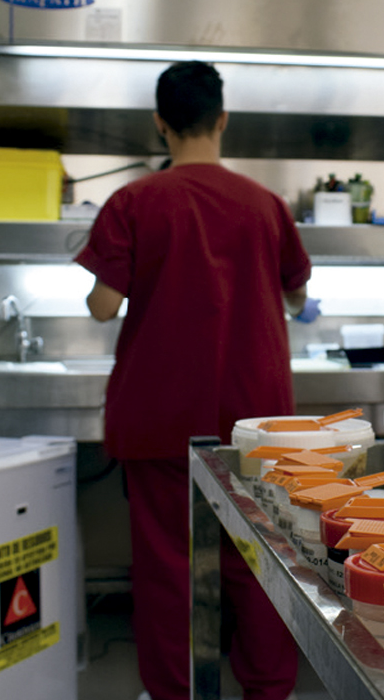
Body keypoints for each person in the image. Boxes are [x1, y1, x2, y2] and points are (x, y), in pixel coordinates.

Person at [75, 61, 312, 700]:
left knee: (169, 567)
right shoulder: (265, 205)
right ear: (222, 119)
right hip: (254, 422)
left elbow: (103, 305)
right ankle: (268, 689)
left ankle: (176, 691)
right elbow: (297, 298)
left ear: (160, 123)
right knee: (258, 561)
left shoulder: (132, 202)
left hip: (159, 418)